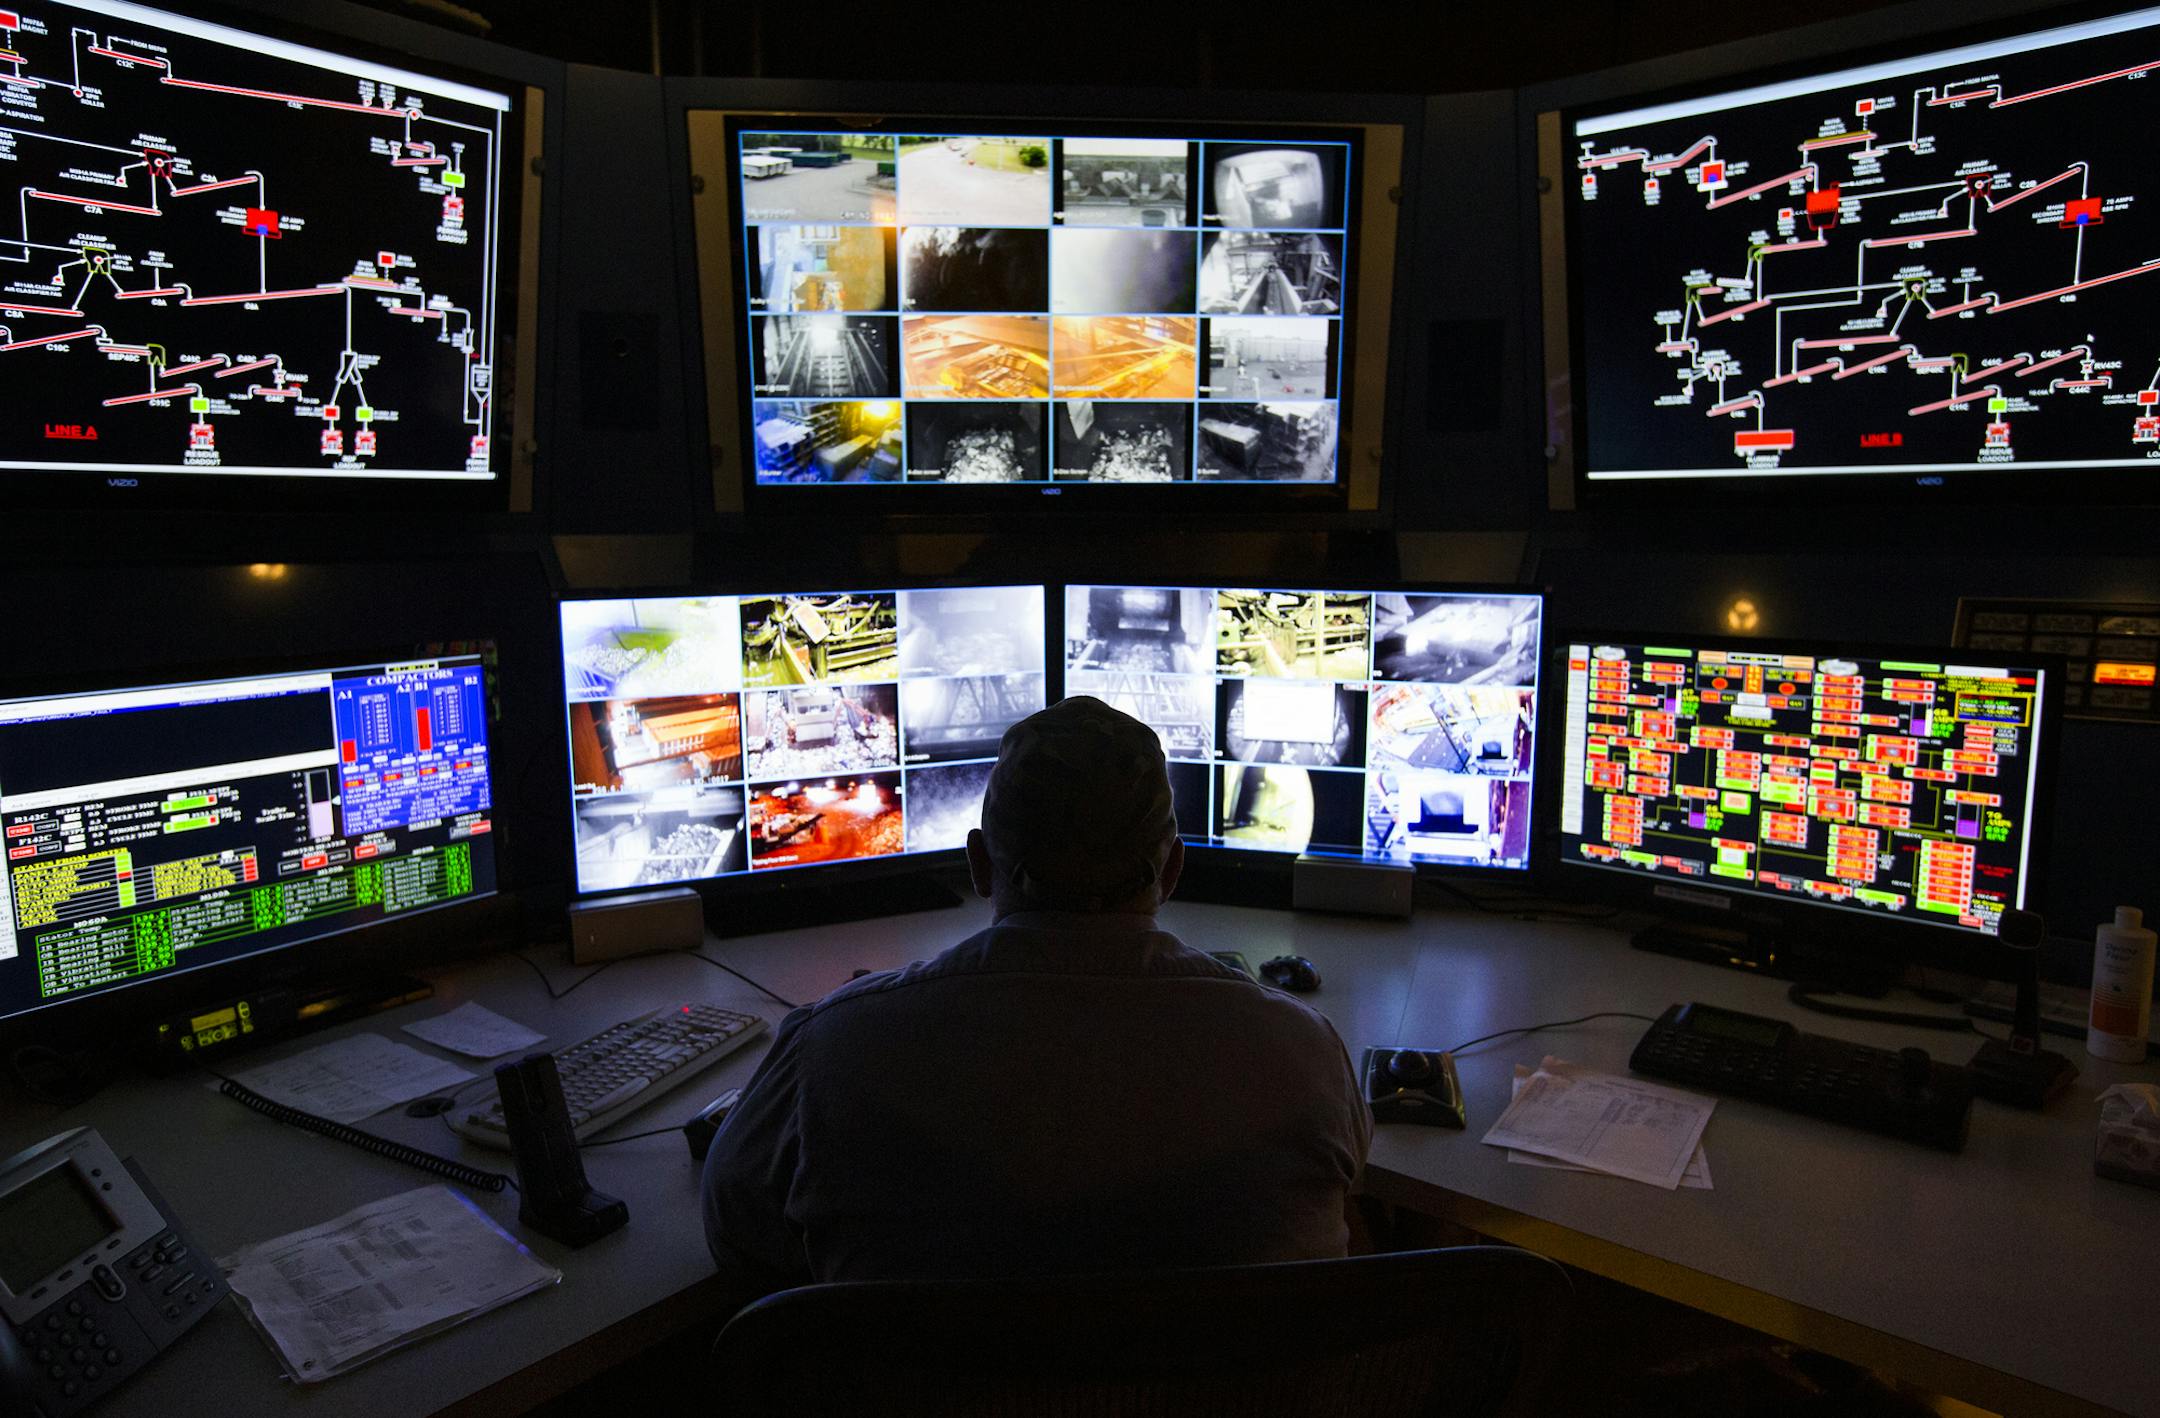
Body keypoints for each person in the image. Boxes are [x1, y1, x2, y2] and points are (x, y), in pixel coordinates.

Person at [700, 695, 1371, 1302]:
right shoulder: (1305, 1051)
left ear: (979, 864)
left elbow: (736, 1235)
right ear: (1171, 870)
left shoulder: (832, 1047)